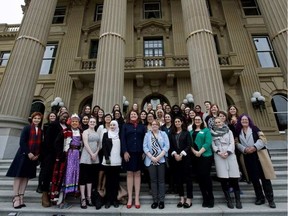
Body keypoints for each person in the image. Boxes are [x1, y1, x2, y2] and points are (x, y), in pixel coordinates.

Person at [235, 114, 276, 208]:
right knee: (254, 179)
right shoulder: (238, 132)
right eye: (242, 120)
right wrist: (244, 149)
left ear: (249, 120)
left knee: (265, 178)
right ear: (240, 121)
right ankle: (260, 197)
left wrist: (254, 147)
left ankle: (270, 199)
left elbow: (263, 139)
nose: (244, 121)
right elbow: (236, 143)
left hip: (259, 156)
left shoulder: (255, 129)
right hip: (248, 157)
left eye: (246, 119)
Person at [6, 112, 43, 209]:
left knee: (26, 177)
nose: (37, 120)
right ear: (32, 119)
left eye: (39, 118)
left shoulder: (40, 130)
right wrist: (29, 153)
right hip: (23, 155)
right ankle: (16, 197)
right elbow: (22, 142)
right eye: (35, 118)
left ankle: (21, 196)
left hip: (33, 157)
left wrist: (37, 155)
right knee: (19, 176)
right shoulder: (27, 128)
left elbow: (40, 144)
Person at [212, 117, 242, 209]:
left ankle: (238, 200)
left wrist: (228, 152)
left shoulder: (229, 131)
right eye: (216, 122)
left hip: (230, 154)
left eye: (219, 122)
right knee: (223, 179)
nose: (218, 124)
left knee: (234, 178)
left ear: (223, 122)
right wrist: (218, 152)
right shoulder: (212, 133)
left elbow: (232, 143)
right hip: (219, 155)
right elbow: (212, 144)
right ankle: (228, 199)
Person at [121, 110, 146, 209]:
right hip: (129, 153)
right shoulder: (125, 126)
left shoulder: (142, 126)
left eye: (134, 114)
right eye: (131, 114)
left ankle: (137, 198)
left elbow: (145, 139)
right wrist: (125, 151)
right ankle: (130, 198)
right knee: (130, 173)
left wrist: (144, 151)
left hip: (139, 153)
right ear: (129, 116)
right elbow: (123, 139)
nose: (133, 115)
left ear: (138, 116)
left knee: (138, 173)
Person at [143, 120, 170, 209]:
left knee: (161, 181)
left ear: (159, 126)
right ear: (151, 126)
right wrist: (152, 158)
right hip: (151, 160)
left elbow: (167, 146)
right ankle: (155, 200)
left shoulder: (163, 134)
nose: (154, 125)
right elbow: (145, 147)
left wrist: (158, 157)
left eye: (156, 124)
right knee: (153, 181)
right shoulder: (147, 134)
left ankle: (161, 200)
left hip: (161, 160)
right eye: (153, 124)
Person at [190, 115, 214, 208]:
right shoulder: (191, 132)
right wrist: (195, 152)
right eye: (195, 119)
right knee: (200, 178)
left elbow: (208, 142)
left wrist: (199, 152)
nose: (197, 121)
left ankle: (211, 197)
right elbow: (190, 144)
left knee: (206, 177)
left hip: (205, 156)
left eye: (198, 119)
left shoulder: (206, 130)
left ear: (202, 121)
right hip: (195, 157)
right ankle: (205, 198)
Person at [169, 117, 193, 208]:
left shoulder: (186, 133)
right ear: (174, 123)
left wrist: (182, 154)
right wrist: (175, 154)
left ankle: (189, 199)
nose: (177, 123)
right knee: (178, 179)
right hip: (175, 159)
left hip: (185, 159)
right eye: (176, 121)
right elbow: (170, 146)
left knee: (188, 179)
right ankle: (182, 198)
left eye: (179, 121)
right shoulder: (172, 134)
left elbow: (189, 145)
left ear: (181, 122)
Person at [59, 114, 82, 207]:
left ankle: (72, 193)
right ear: (70, 122)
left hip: (77, 154)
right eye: (73, 121)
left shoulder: (80, 132)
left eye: (76, 121)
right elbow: (59, 143)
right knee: (66, 174)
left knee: (74, 173)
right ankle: (62, 198)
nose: (74, 123)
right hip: (68, 154)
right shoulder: (66, 131)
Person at [79, 117, 101, 209]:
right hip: (86, 156)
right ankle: (83, 198)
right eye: (90, 122)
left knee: (91, 178)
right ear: (88, 123)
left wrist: (96, 153)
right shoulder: (85, 132)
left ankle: (89, 197)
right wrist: (91, 153)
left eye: (93, 122)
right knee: (84, 177)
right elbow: (85, 143)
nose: (92, 123)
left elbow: (99, 144)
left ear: (96, 123)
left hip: (95, 157)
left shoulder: (97, 133)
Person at [102, 120, 122, 208]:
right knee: (108, 181)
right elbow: (104, 146)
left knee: (115, 181)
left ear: (117, 126)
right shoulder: (106, 134)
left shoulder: (119, 134)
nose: (112, 126)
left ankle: (114, 200)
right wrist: (107, 158)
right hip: (108, 161)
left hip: (117, 161)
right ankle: (108, 200)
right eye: (111, 125)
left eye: (114, 125)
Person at [37, 112, 57, 194]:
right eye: (51, 116)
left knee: (50, 170)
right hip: (46, 150)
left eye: (54, 116)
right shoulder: (45, 125)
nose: (52, 117)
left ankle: (47, 185)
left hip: (54, 151)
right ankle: (40, 185)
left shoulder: (57, 126)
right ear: (48, 117)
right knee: (44, 169)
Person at [96, 113, 112, 198]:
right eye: (106, 117)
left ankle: (103, 186)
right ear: (104, 118)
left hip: (111, 151)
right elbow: (98, 139)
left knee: (107, 169)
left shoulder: (113, 127)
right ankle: (99, 185)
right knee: (102, 169)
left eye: (109, 117)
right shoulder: (101, 127)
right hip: (102, 150)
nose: (108, 118)